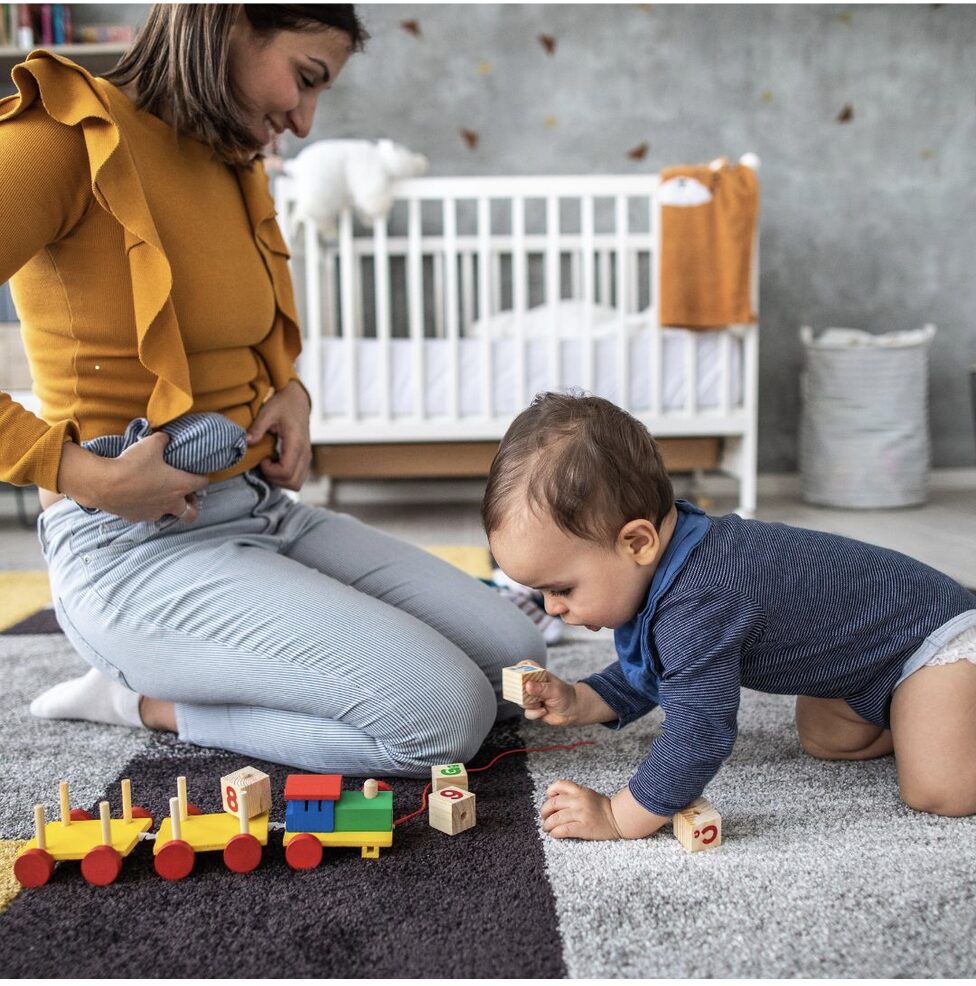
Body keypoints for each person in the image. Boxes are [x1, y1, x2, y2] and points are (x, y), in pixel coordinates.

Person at [0, 4, 545, 777]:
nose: (306, 118)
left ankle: (232, 663)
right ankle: (141, 700)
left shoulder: (231, 155)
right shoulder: (62, 139)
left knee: (515, 660)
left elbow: (227, 330)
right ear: (228, 23)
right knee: (443, 717)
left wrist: (288, 388)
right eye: (306, 78)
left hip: (258, 510)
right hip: (128, 551)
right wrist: (84, 474)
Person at [482, 391, 976, 840]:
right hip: (868, 664)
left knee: (938, 791)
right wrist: (579, 697)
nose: (552, 608)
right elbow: (666, 667)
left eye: (562, 588)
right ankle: (918, 716)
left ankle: (947, 712)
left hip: (936, 640)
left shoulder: (702, 597)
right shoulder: (664, 561)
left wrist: (618, 815)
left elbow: (700, 731)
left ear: (636, 542)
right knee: (827, 738)